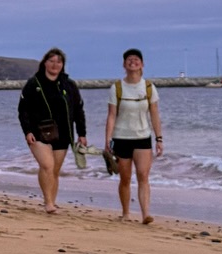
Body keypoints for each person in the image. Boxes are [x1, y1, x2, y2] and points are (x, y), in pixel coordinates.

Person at [18, 47, 88, 214]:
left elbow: (78, 110)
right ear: (45, 63)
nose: (55, 64)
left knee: (55, 171)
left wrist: (82, 134)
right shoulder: (34, 83)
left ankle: (52, 202)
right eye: (51, 61)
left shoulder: (69, 85)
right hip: (37, 132)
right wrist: (27, 131)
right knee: (47, 165)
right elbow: (23, 110)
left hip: (63, 133)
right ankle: (48, 202)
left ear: (62, 65)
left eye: (59, 61)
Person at [104, 48, 163, 223]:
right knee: (125, 178)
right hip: (121, 137)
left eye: (136, 59)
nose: (133, 62)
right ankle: (126, 213)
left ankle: (146, 214)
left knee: (143, 175)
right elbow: (111, 115)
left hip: (143, 137)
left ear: (142, 64)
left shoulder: (149, 87)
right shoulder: (117, 88)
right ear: (124, 65)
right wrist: (107, 138)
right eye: (129, 59)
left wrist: (159, 138)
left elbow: (154, 114)